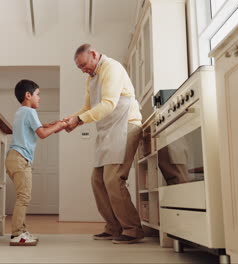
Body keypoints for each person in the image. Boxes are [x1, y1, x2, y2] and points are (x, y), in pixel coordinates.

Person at [64, 44, 145, 244]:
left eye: (84, 65)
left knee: (113, 179)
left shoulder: (112, 68)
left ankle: (133, 229)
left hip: (126, 126)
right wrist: (71, 119)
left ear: (93, 54)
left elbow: (109, 103)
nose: (83, 70)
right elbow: (87, 107)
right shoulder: (91, 78)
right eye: (80, 68)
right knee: (98, 180)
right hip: (109, 131)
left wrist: (80, 120)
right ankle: (113, 226)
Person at [6, 79, 68, 246]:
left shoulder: (21, 112)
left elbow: (40, 127)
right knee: (24, 197)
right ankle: (17, 234)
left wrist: (56, 125)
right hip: (20, 159)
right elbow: (42, 133)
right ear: (28, 95)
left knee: (23, 196)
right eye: (38, 95)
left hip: (13, 158)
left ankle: (21, 231)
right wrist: (60, 125)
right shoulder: (30, 112)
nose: (40, 98)